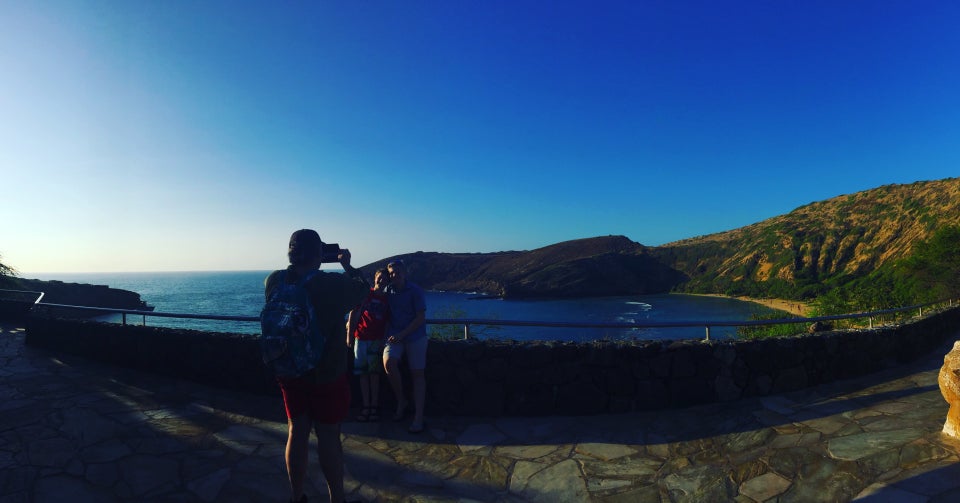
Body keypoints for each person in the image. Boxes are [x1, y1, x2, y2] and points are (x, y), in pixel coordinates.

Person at [264, 229, 368, 503]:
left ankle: (297, 497)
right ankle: (337, 499)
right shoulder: (331, 284)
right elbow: (362, 290)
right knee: (328, 438)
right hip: (327, 375)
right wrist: (346, 263)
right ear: (320, 254)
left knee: (296, 432)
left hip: (290, 371)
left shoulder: (273, 281)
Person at [382, 259, 428, 433]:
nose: (395, 274)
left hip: (414, 336)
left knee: (417, 374)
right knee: (388, 362)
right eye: (392, 272)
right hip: (395, 335)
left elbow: (420, 318)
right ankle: (401, 400)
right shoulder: (389, 291)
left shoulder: (415, 291)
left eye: (398, 271)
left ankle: (418, 417)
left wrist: (402, 334)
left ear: (405, 272)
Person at [345, 267, 390, 422]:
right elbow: (353, 313)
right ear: (375, 278)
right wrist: (349, 336)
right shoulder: (366, 294)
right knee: (363, 375)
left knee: (374, 375)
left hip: (376, 340)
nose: (381, 280)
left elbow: (388, 322)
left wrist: (385, 339)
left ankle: (373, 406)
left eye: (385, 278)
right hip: (361, 338)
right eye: (379, 277)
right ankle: (366, 406)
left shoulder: (387, 299)